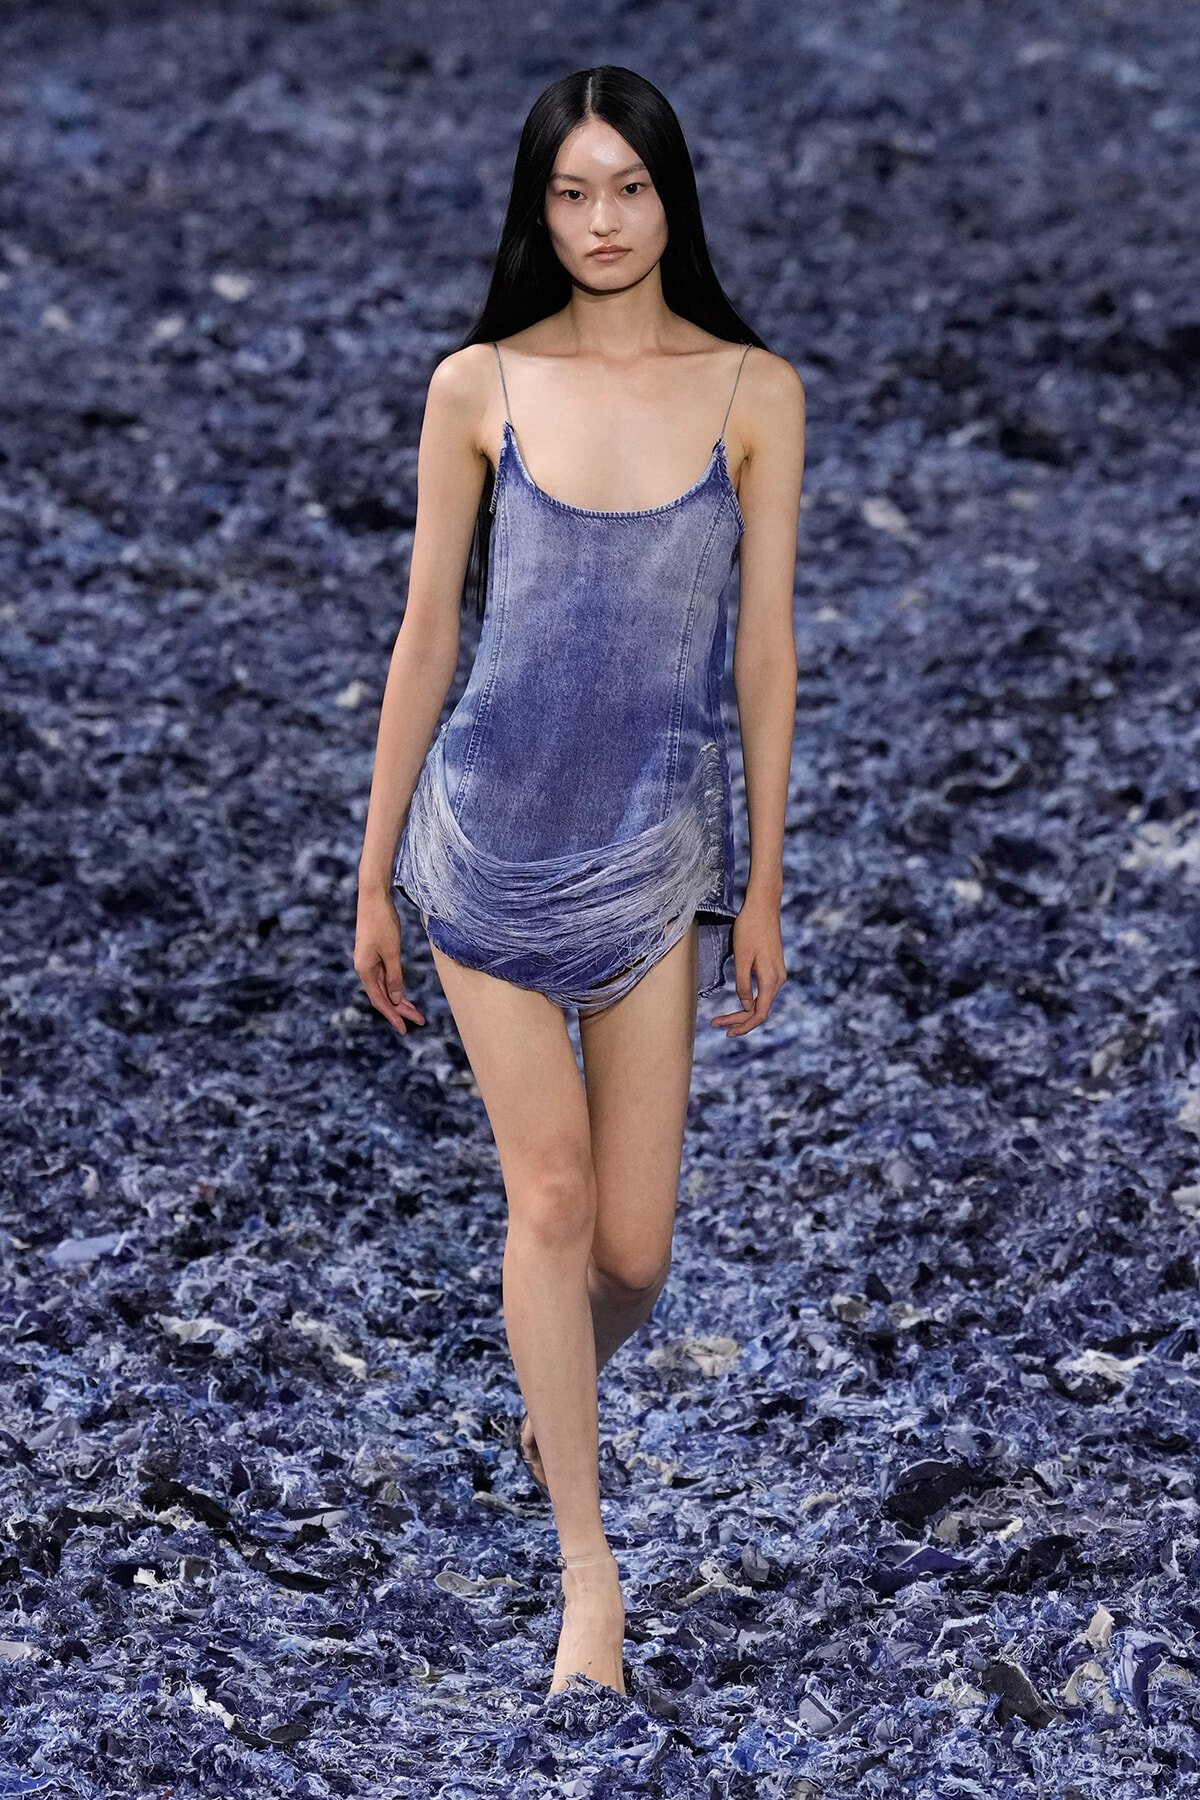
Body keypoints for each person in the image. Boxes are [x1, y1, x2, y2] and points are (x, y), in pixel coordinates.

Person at [354, 65, 804, 1698]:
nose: (602, 221)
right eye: (571, 193)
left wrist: (759, 882)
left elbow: (765, 654)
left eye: (628, 187)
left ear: (671, 194)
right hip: (480, 839)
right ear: (535, 211)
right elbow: (427, 632)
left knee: (631, 1254)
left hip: (660, 857)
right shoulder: (478, 382)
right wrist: (375, 863)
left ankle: (554, 1382)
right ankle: (588, 1578)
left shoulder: (755, 392)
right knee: (543, 1199)